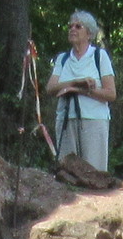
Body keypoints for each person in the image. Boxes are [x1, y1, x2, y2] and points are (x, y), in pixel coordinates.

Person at [47, 10, 116, 175]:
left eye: (78, 26)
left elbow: (111, 94)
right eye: (70, 26)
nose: (72, 29)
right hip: (66, 120)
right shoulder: (63, 59)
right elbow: (50, 88)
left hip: (94, 121)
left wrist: (82, 90)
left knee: (94, 173)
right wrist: (74, 83)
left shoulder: (99, 56)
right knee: (67, 173)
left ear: (89, 33)